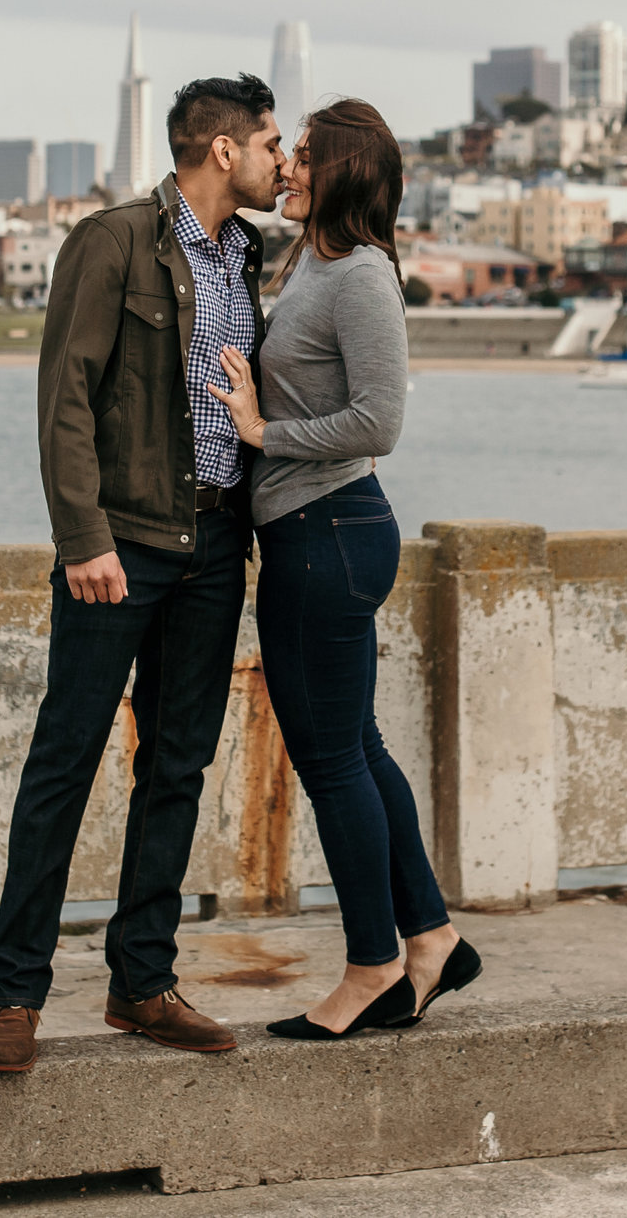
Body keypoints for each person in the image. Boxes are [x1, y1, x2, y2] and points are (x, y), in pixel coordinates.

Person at [0, 75, 283, 1075]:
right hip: (124, 546)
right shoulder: (112, 241)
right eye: (271, 140)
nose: (283, 159)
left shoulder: (248, 257)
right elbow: (65, 392)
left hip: (214, 547)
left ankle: (140, 981)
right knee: (63, 760)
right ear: (222, 150)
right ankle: (14, 992)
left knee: (177, 765)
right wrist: (82, 538)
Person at [208, 97, 480, 1039]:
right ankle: (433, 938)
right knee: (356, 747)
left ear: (343, 174)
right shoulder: (317, 265)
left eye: (303, 157)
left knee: (330, 762)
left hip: (329, 529)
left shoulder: (362, 276)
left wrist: (261, 431)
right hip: (317, 529)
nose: (285, 169)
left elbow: (380, 422)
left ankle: (373, 964)